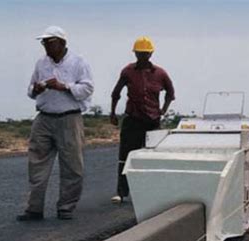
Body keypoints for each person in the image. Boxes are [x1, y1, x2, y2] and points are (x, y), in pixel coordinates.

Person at [17, 26, 94, 221]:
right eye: (44, 42)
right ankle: (34, 209)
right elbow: (30, 89)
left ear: (62, 43)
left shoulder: (79, 62)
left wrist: (63, 86)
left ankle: (66, 207)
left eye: (49, 42)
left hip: (69, 118)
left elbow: (87, 88)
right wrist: (36, 89)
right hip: (44, 118)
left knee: (72, 166)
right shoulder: (41, 64)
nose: (45, 46)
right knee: (37, 163)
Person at [110, 36, 175, 204]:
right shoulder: (128, 71)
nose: (143, 56)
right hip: (132, 119)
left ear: (151, 53)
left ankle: (150, 192)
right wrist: (112, 113)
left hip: (152, 121)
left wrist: (163, 110)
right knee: (125, 156)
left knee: (151, 157)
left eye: (145, 53)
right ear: (135, 54)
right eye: (139, 53)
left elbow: (170, 93)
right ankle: (122, 192)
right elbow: (116, 92)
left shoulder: (160, 73)